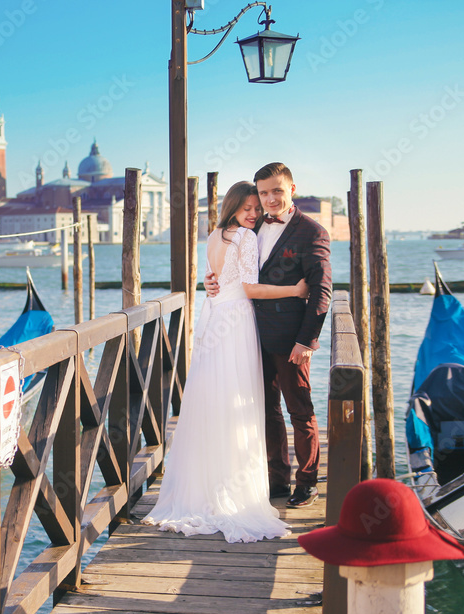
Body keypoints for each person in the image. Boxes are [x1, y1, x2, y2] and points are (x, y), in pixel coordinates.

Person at [142, 181, 307, 543]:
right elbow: (249, 288)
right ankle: (234, 493)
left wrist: (210, 283)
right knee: (239, 403)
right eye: (247, 208)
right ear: (233, 206)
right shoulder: (245, 238)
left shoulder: (215, 235)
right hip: (236, 321)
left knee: (214, 399)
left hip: (216, 315)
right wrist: (295, 290)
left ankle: (204, 487)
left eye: (255, 208)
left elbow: (217, 278)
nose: (253, 214)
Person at [205, 162, 333, 509]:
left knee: (300, 410)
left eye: (277, 190)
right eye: (263, 193)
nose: (269, 199)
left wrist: (306, 341)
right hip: (248, 336)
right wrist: (211, 280)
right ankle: (277, 480)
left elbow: (321, 291)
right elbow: (231, 266)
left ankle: (307, 483)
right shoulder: (253, 223)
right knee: (265, 410)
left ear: (292, 188)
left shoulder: (312, 232)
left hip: (290, 338)